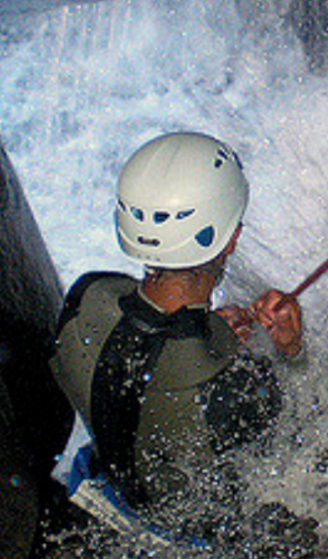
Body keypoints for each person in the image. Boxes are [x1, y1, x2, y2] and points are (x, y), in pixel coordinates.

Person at [49, 131, 304, 542]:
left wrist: (210, 332)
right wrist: (291, 348)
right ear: (232, 239)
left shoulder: (85, 298)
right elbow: (303, 422)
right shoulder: (233, 391)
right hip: (194, 533)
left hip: (105, 491)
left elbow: (142, 349)